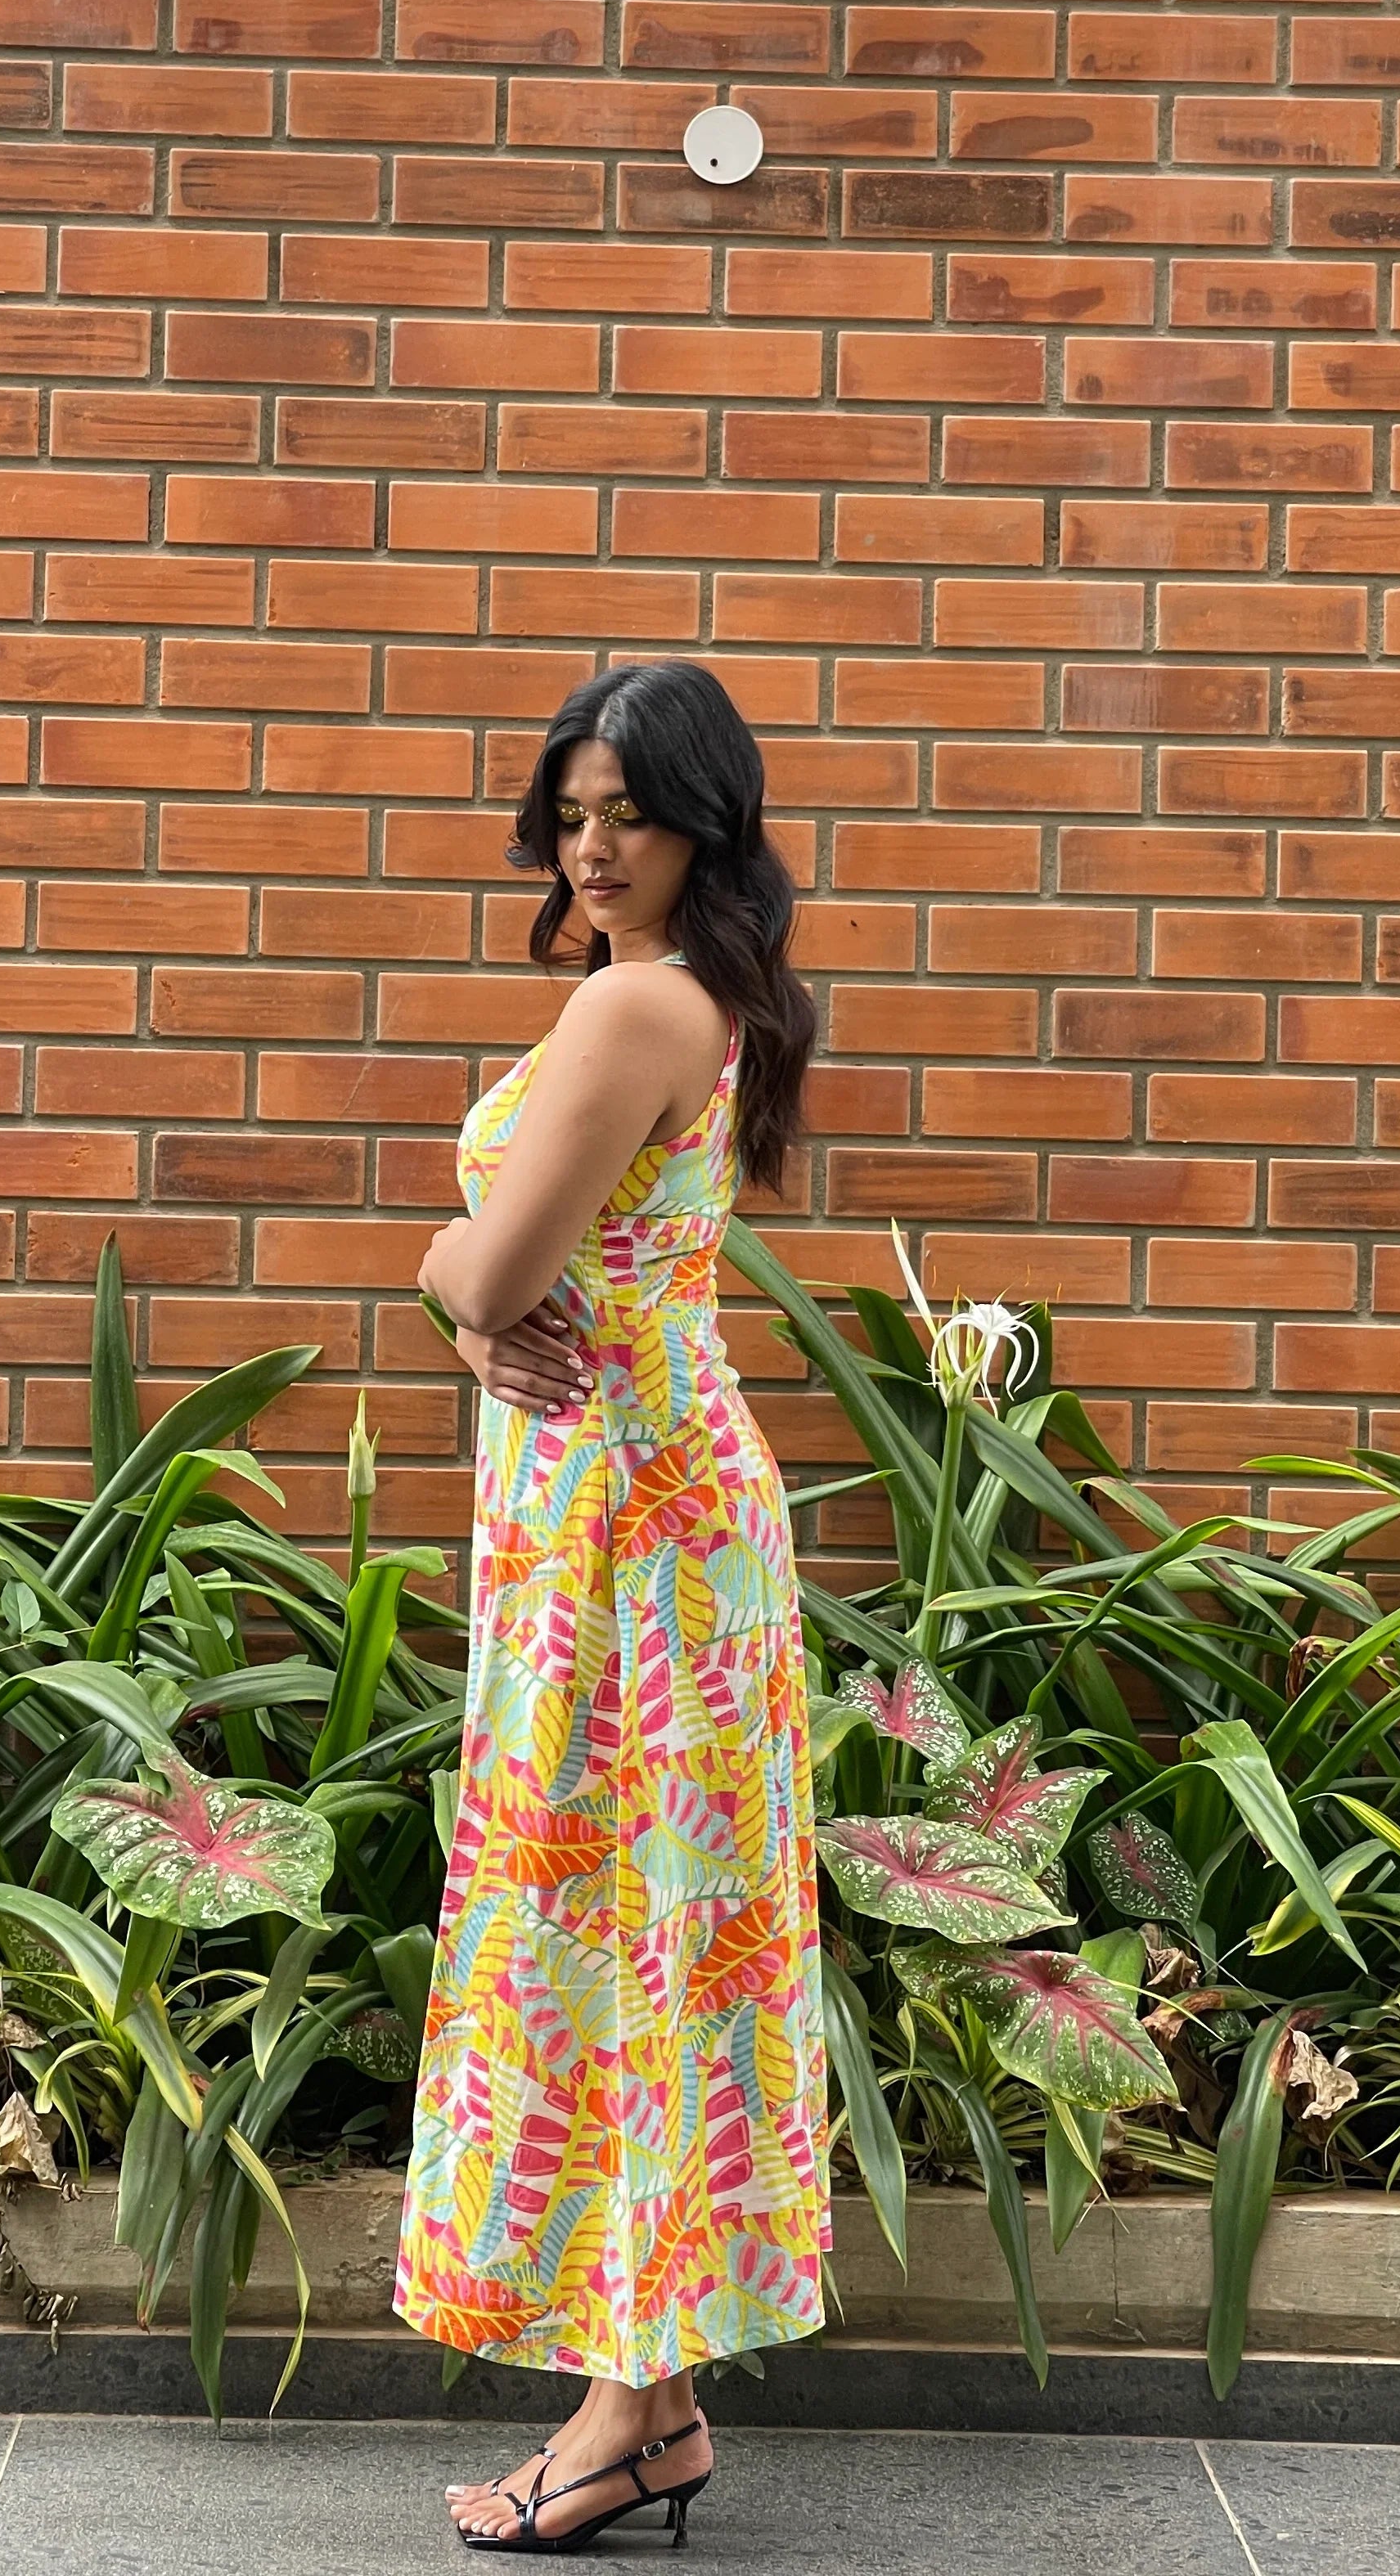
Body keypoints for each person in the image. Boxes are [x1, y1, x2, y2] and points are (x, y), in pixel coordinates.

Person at [394, 658, 831, 2553]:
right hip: (644, 1514)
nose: (589, 848)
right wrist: (481, 1296)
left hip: (630, 1543)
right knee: (651, 1941)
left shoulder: (634, 1006)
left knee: (625, 1941)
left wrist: (436, 1267)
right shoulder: (700, 996)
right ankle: (649, 2412)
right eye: (570, 816)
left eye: (626, 817)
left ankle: (620, 2413)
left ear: (701, 825)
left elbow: (494, 1280)